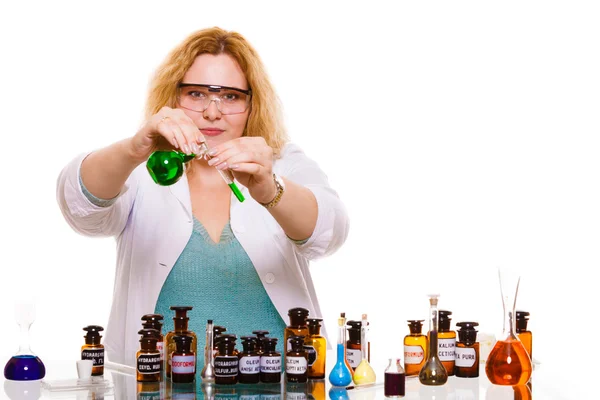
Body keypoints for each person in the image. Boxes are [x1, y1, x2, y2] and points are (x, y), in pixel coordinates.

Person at [56, 27, 349, 368]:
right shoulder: (140, 170)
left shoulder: (280, 162)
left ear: (252, 103)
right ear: (173, 97)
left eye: (230, 96)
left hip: (280, 384)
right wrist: (134, 149)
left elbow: (329, 232)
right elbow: (80, 207)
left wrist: (270, 189)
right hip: (157, 388)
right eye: (196, 94)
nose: (212, 111)